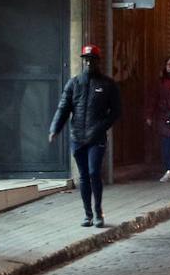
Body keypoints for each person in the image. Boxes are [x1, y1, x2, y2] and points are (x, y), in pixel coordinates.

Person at [50, 44, 122, 228]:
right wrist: (55, 129)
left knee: (93, 173)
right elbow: (63, 107)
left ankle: (98, 212)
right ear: (83, 61)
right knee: (83, 176)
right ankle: (87, 214)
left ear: (98, 61)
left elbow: (116, 111)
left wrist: (101, 127)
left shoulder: (107, 84)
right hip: (77, 137)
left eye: (92, 60)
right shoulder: (74, 83)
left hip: (96, 137)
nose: (89, 63)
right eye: (86, 59)